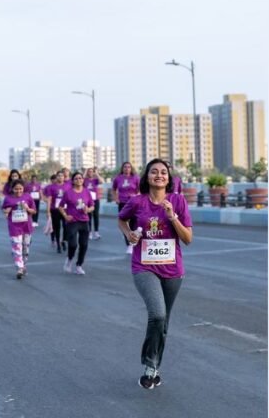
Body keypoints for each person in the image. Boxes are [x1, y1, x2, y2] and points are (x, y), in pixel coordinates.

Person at [116, 158, 193, 390]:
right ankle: (149, 363)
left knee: (164, 322)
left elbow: (188, 239)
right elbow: (121, 219)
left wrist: (172, 217)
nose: (159, 175)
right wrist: (129, 233)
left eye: (163, 172)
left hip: (173, 270)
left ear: (169, 178)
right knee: (157, 315)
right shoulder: (137, 202)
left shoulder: (178, 201)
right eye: (154, 172)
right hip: (144, 267)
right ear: (147, 177)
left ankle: (153, 368)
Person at [59, 171, 95, 275]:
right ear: (73, 181)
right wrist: (66, 216)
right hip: (72, 221)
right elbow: (61, 207)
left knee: (84, 244)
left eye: (80, 178)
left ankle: (79, 265)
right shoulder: (68, 193)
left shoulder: (87, 192)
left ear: (83, 180)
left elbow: (92, 206)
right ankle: (69, 259)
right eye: (76, 178)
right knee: (73, 244)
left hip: (84, 221)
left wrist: (88, 210)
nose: (79, 180)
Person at [2, 179, 36, 279]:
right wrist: (6, 211)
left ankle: (23, 264)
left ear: (23, 188)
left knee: (26, 248)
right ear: (12, 189)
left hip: (26, 226)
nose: (18, 191)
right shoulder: (8, 199)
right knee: (17, 248)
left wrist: (28, 209)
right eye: (16, 189)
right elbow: (4, 211)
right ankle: (19, 268)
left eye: (20, 189)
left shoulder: (28, 197)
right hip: (14, 226)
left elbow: (34, 211)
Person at [112, 162, 140, 254]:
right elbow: (113, 189)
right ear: (122, 168)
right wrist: (116, 198)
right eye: (125, 167)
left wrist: (138, 197)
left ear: (131, 168)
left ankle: (133, 243)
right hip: (123, 203)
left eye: (129, 167)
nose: (127, 168)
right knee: (124, 224)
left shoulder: (135, 177)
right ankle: (129, 244)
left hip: (134, 203)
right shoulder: (118, 178)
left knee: (133, 223)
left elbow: (140, 189)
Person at [85, 167, 103, 240]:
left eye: (91, 171)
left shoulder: (95, 180)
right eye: (89, 171)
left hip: (95, 200)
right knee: (88, 216)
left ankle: (96, 232)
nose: (90, 173)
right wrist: (85, 172)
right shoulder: (84, 180)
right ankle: (89, 232)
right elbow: (81, 178)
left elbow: (102, 181)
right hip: (87, 200)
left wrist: (97, 173)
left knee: (96, 215)